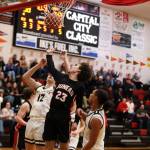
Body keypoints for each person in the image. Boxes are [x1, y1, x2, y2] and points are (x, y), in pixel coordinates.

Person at [43, 48, 92, 150]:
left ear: (78, 71)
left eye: (75, 65)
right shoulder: (62, 77)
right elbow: (51, 68)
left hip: (63, 117)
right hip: (51, 113)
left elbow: (79, 106)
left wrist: (76, 122)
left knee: (64, 145)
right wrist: (49, 54)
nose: (72, 65)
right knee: (48, 144)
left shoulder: (79, 86)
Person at [22, 59, 55, 150]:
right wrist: (39, 65)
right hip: (31, 120)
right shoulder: (39, 87)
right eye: (49, 74)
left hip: (43, 121)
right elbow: (25, 77)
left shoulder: (56, 91)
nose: (50, 75)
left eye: (53, 75)